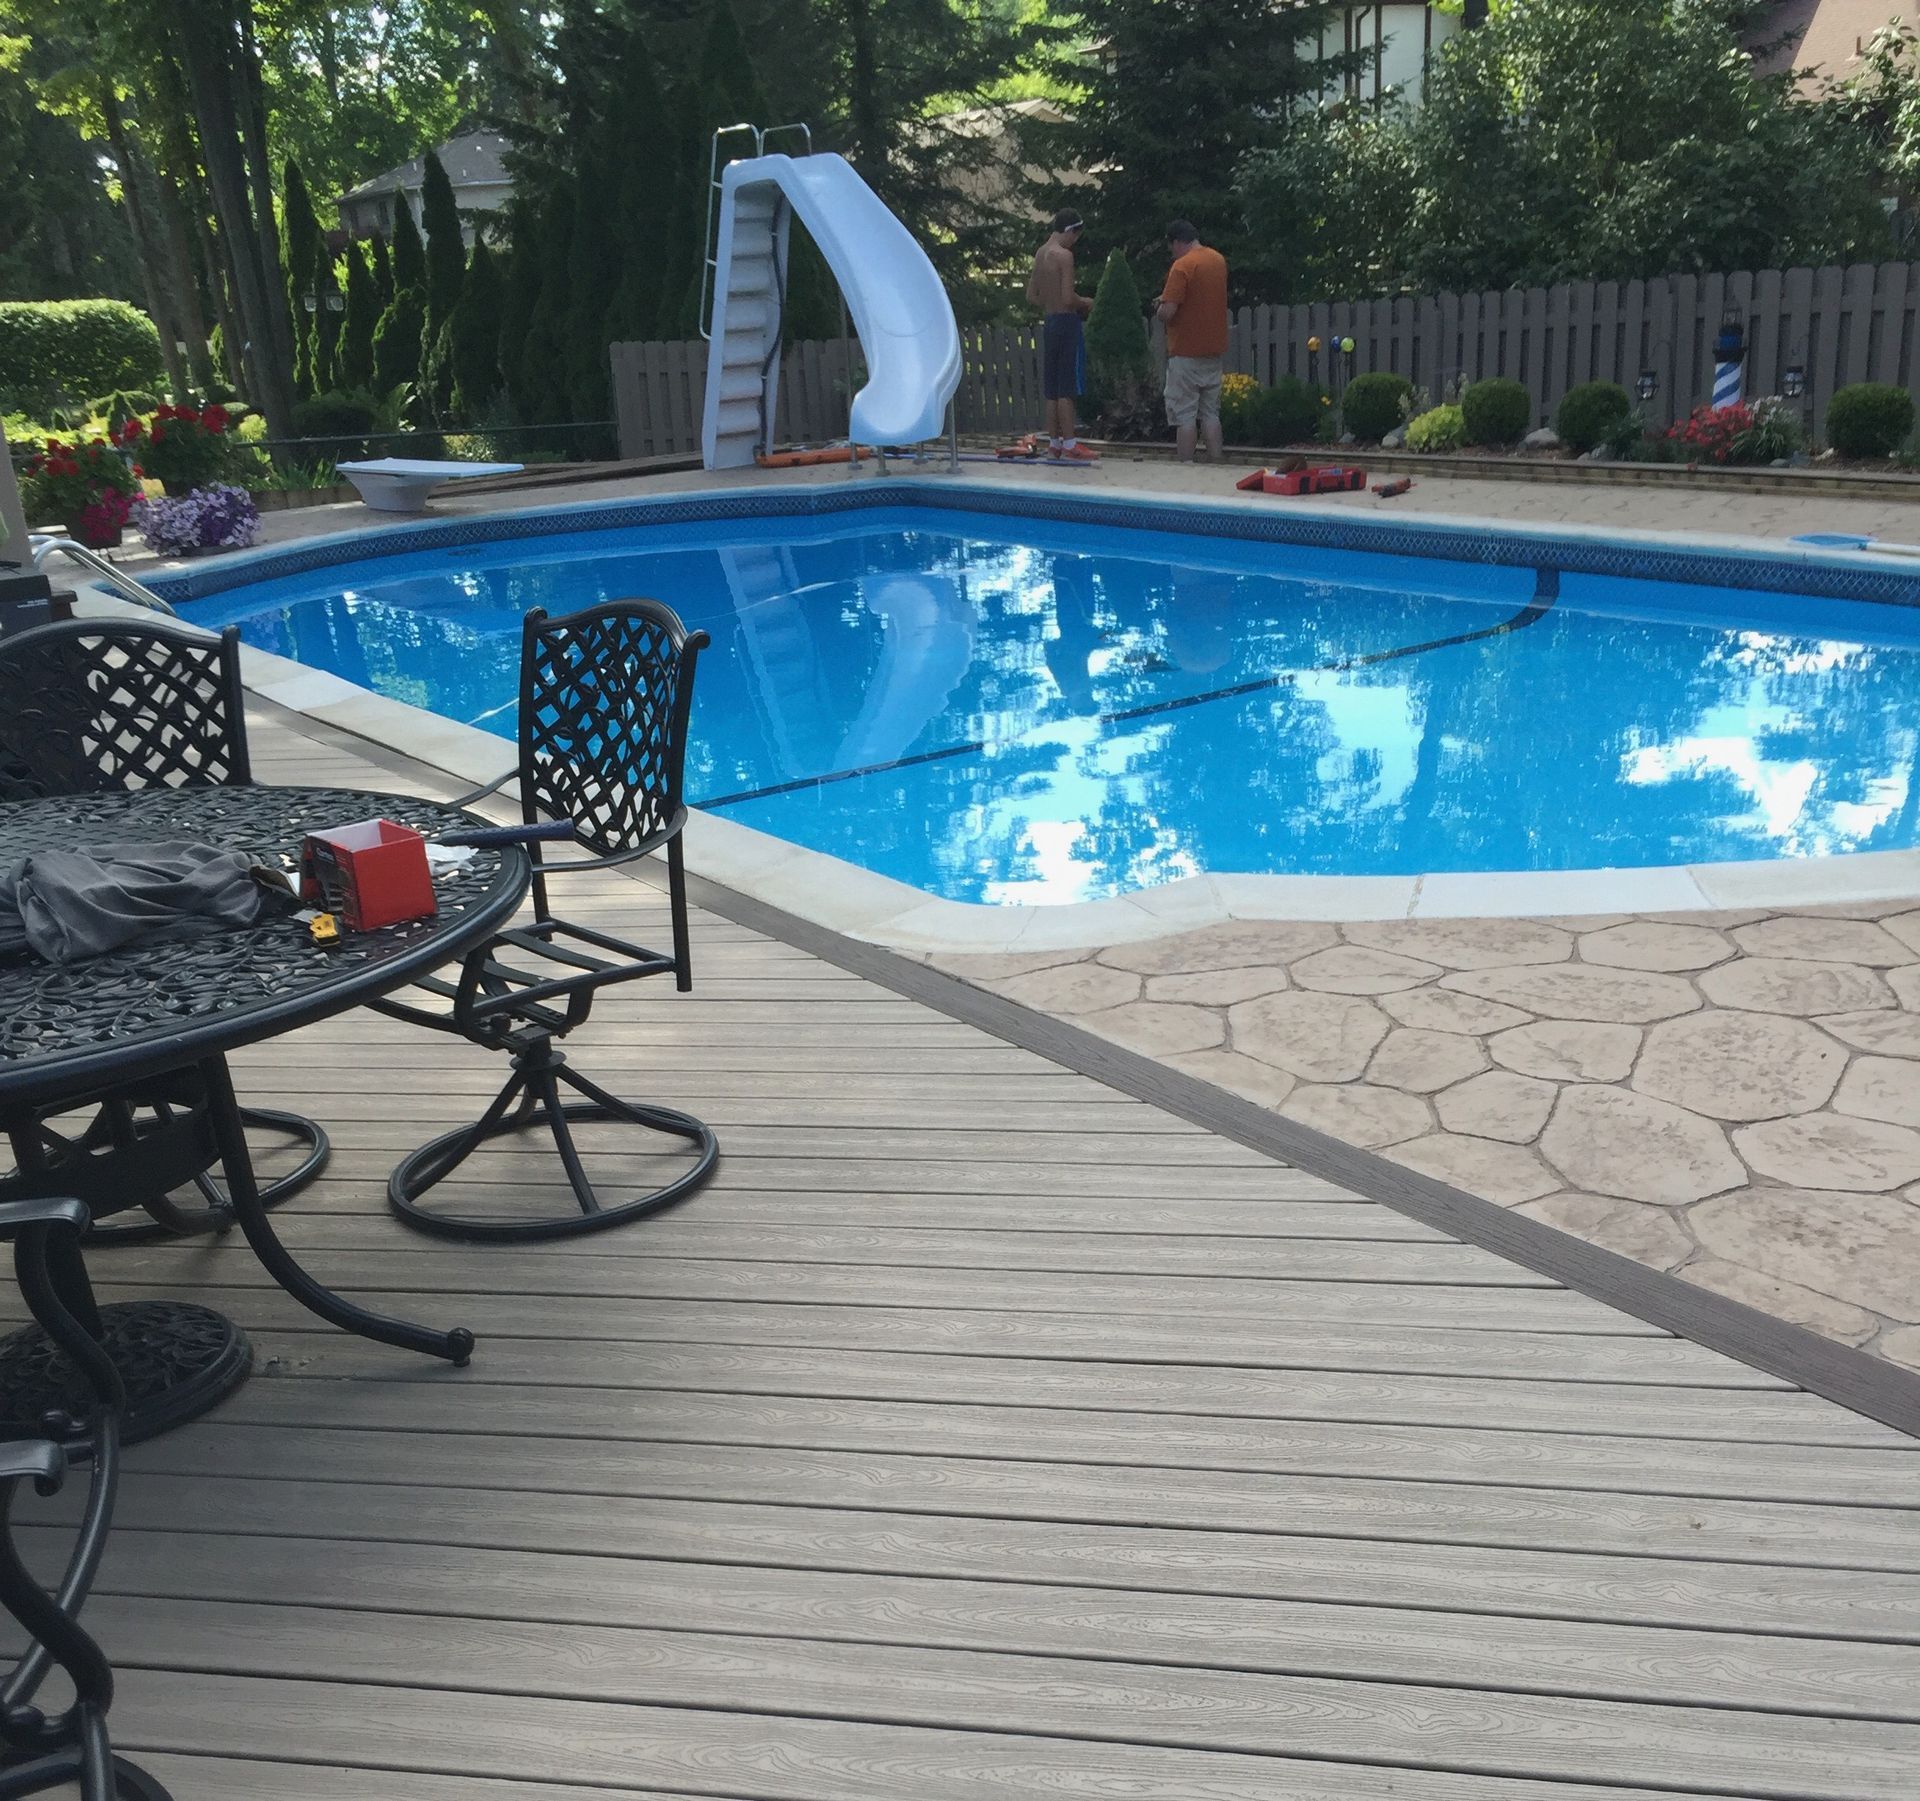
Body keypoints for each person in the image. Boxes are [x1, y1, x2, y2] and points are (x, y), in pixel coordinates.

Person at [1025, 210, 1097, 462]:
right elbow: (1068, 298)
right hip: (1067, 322)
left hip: (1050, 321)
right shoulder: (1064, 256)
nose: (1075, 242)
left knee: (1052, 388)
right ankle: (1070, 444)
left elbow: (1032, 296)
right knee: (1067, 386)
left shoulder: (1041, 253)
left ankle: (1054, 444)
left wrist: (1050, 300)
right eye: (1075, 236)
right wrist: (1087, 301)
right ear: (1069, 231)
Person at [1156, 221, 1229, 463]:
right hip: (1213, 349)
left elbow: (1169, 312)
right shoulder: (1218, 261)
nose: (1172, 252)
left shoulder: (1182, 266)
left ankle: (1185, 466)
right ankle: (1216, 461)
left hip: (1185, 352)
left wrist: (1159, 307)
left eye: (1172, 247)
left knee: (1185, 414)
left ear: (1177, 242)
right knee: (1210, 412)